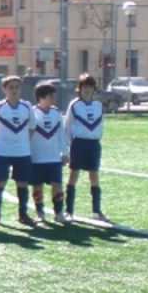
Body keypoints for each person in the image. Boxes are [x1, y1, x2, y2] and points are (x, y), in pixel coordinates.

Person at [0, 75, 35, 226]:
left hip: (22, 152)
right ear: (4, 89)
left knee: (22, 183)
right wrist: (3, 141)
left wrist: (21, 142)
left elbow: (32, 128)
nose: (14, 90)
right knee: (0, 182)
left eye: (17, 87)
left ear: (21, 89)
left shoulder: (27, 107)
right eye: (10, 87)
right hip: (1, 152)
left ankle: (23, 214)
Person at [64, 72, 108, 222]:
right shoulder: (75, 105)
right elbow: (67, 126)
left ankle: (96, 210)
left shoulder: (98, 105)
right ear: (79, 88)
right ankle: (69, 210)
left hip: (93, 144)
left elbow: (101, 125)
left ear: (94, 89)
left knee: (94, 175)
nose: (87, 89)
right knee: (74, 174)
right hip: (79, 143)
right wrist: (70, 145)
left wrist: (96, 138)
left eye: (90, 86)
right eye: (84, 86)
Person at [30, 82, 69, 222]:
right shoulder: (32, 112)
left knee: (57, 185)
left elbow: (61, 134)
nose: (53, 99)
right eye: (50, 96)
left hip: (53, 157)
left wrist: (64, 153)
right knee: (37, 186)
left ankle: (59, 212)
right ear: (41, 97)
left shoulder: (56, 113)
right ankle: (39, 212)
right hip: (36, 157)